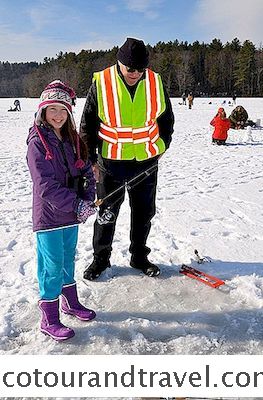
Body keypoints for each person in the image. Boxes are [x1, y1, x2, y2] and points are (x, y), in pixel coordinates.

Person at [80, 37, 174, 281]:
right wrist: (91, 161)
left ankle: (139, 256)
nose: (135, 74)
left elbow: (166, 119)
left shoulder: (155, 82)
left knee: (144, 213)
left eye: (140, 69)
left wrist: (162, 145)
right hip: (111, 163)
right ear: (119, 63)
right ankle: (101, 260)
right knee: (106, 213)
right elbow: (88, 124)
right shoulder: (101, 82)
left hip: (146, 162)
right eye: (130, 69)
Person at [26, 80, 97, 341]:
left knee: (68, 260)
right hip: (49, 217)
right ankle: (49, 317)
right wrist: (75, 204)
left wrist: (88, 197)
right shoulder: (37, 142)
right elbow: (44, 185)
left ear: (68, 112)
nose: (57, 115)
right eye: (52, 109)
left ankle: (70, 303)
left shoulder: (72, 139)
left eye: (62, 110)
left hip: (70, 215)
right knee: (52, 265)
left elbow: (86, 170)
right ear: (43, 110)